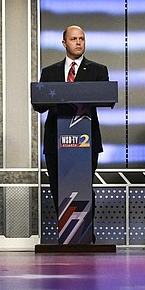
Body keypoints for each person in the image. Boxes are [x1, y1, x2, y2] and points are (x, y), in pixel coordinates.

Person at [36, 25, 110, 231]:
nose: (78, 42)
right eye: (74, 39)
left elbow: (105, 98)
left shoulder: (98, 70)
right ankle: (65, 233)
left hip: (86, 141)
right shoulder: (50, 72)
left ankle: (85, 234)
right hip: (56, 142)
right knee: (59, 189)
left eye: (82, 39)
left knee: (84, 188)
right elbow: (39, 105)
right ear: (64, 43)